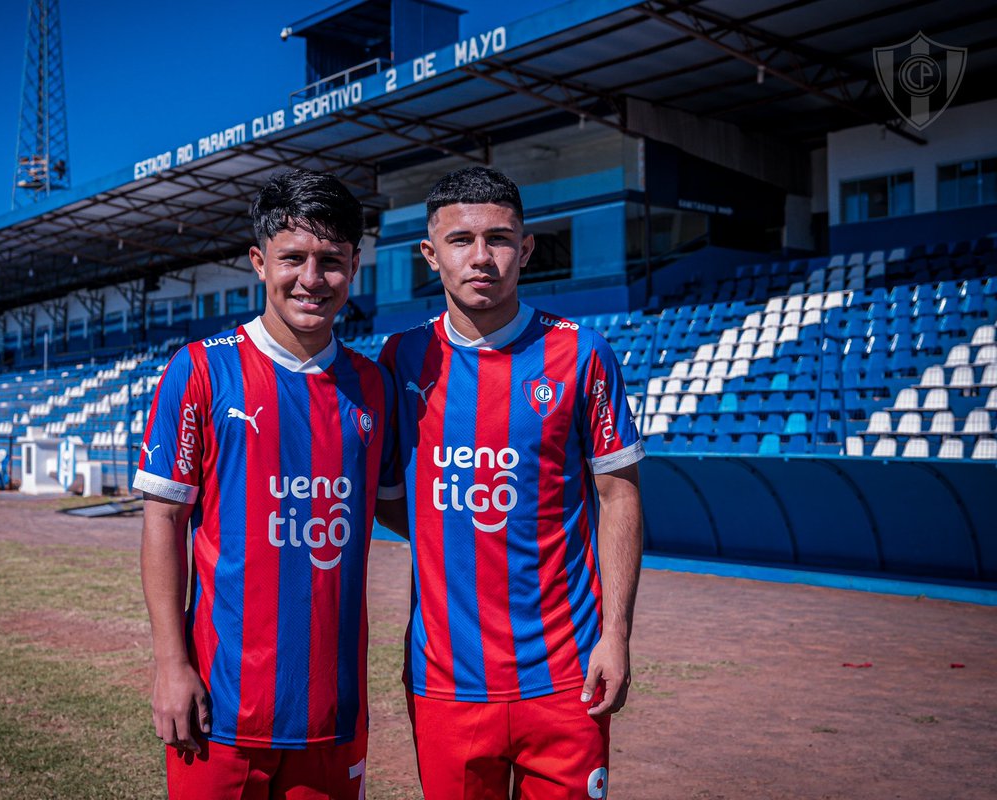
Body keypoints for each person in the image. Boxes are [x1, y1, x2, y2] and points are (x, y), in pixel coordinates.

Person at [376, 166, 644, 799]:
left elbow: (618, 496)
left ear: (525, 248)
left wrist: (618, 637)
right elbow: (394, 503)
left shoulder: (583, 353)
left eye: (499, 239)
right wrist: (456, 521)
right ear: (429, 254)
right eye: (460, 240)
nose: (481, 257)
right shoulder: (401, 360)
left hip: (566, 673)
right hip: (446, 679)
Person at [135, 168, 392, 799]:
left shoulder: (373, 385)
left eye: (331, 260)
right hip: (220, 710)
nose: (312, 279)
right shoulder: (200, 369)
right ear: (258, 261)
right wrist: (171, 666)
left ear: (355, 266)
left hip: (334, 712)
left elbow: (412, 513)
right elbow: (163, 523)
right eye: (293, 258)